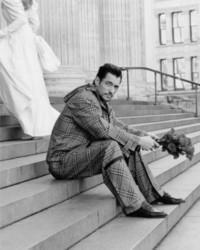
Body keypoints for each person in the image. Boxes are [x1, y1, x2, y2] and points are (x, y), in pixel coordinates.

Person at [46, 63, 185, 218]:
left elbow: (117, 126)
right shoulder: (83, 99)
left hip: (81, 153)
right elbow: (104, 130)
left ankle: (153, 194)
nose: (111, 90)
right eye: (108, 84)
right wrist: (138, 140)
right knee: (111, 145)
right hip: (62, 161)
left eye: (116, 87)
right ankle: (135, 204)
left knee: (127, 144)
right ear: (97, 81)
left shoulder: (101, 101)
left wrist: (142, 134)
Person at [0, 0, 60, 139]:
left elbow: (20, 19)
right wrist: (28, 36)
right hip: (26, 41)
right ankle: (34, 126)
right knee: (31, 82)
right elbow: (34, 22)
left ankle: (33, 127)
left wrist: (2, 32)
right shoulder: (29, 1)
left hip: (18, 41)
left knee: (19, 82)